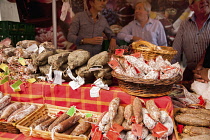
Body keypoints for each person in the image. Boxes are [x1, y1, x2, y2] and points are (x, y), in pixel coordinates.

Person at [172, 0, 210, 81]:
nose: (203, 1)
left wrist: (204, 72)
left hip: (207, 77)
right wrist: (170, 72)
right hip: (189, 73)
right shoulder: (185, 24)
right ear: (191, 7)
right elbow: (175, 52)